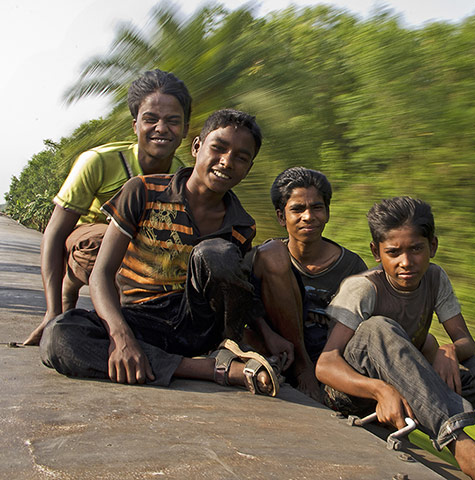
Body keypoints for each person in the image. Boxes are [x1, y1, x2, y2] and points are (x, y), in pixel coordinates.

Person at [40, 109, 294, 395]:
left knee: (217, 254)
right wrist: (121, 337)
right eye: (219, 148)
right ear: (197, 146)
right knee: (59, 336)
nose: (226, 162)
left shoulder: (241, 224)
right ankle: (210, 369)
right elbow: (101, 274)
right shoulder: (143, 192)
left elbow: (235, 289)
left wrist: (267, 333)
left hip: (198, 325)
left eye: (241, 157)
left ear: (248, 167)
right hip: (140, 319)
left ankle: (219, 352)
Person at [316, 197, 475, 480]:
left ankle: (424, 414)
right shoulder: (363, 289)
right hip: (353, 394)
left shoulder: (435, 278)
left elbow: (466, 342)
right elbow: (325, 365)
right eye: (393, 252)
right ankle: (465, 451)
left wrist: (449, 350)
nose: (406, 262)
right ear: (376, 252)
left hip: (409, 386)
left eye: (416, 249)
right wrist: (380, 390)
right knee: (377, 328)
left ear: (432, 246)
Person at [25, 69, 192, 346]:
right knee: (105, 243)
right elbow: (54, 234)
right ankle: (76, 283)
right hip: (91, 242)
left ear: (185, 129)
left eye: (172, 121)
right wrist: (52, 311)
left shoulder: (182, 179)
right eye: (150, 119)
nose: (161, 128)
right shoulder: (98, 162)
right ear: (135, 125)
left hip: (142, 248)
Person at [266, 167, 367, 400]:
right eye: (297, 209)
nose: (308, 217)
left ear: (327, 213)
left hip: (332, 363)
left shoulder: (351, 268)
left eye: (317, 207)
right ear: (281, 217)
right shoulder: (266, 259)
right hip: (282, 355)